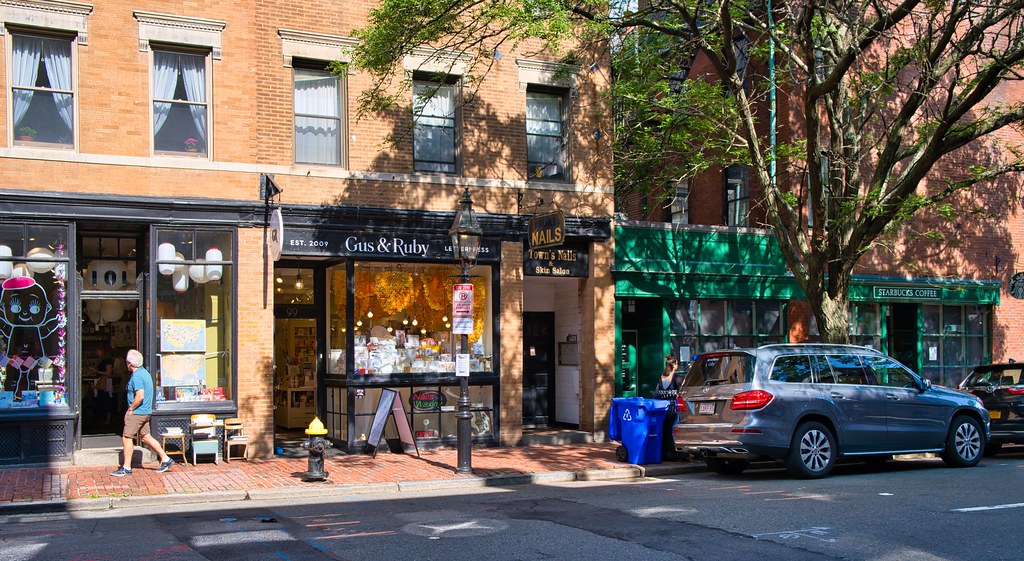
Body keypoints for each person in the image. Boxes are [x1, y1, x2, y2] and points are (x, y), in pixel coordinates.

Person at [111, 349, 175, 476]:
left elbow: (139, 396)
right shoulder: (145, 373)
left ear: (129, 363)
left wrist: (131, 409)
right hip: (146, 411)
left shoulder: (137, 377)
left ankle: (126, 467)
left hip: (138, 412)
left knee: (127, 437)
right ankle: (166, 459)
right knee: (145, 437)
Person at [93, 347, 115, 425]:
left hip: (106, 382)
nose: (97, 353)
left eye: (98, 351)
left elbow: (108, 373)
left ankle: (108, 418)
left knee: (107, 399)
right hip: (103, 382)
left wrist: (97, 371)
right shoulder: (103, 360)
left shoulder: (107, 361)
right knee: (102, 399)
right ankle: (104, 417)